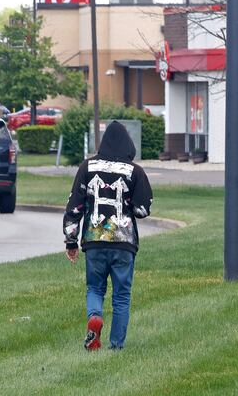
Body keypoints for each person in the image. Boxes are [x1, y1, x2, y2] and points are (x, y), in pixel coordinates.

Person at [63, 121, 153, 351]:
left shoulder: (87, 167)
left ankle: (95, 317)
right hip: (123, 242)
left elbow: (74, 207)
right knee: (122, 294)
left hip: (94, 241)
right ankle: (116, 345)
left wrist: (71, 241)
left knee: (95, 288)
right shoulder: (136, 172)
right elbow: (143, 210)